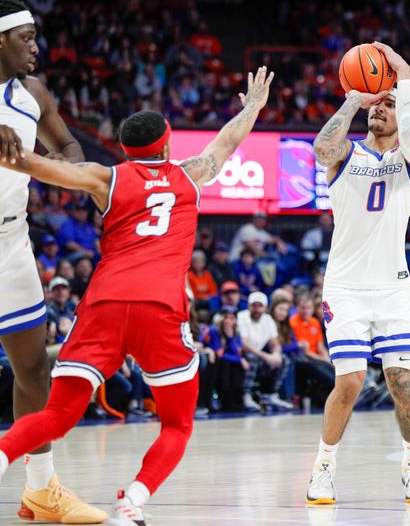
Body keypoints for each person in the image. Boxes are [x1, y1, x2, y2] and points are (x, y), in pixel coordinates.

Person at [0, 66, 275, 524]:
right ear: (167, 145)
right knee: (177, 424)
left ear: (126, 150)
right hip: (160, 309)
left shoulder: (104, 179)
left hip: (104, 304)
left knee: (58, 414)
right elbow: (225, 143)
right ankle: (133, 504)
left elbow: (42, 168)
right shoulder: (191, 177)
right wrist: (252, 107)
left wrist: (15, 154)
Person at [305, 42, 410, 505]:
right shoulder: (346, 154)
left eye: (389, 105)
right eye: (376, 104)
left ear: (406, 112)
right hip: (345, 287)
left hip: (394, 288)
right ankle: (324, 467)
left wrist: (403, 75)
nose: (378, 110)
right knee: (351, 381)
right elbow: (322, 149)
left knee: (402, 378)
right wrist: (354, 97)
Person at [0, 0, 104, 520]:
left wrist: (60, 170)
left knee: (35, 368)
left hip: (10, 244)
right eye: (26, 38)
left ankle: (40, 491)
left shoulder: (32, 95)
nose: (36, 47)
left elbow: (68, 148)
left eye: (36, 37)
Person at [236, 291, 291, 411]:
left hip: (259, 357)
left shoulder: (268, 320)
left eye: (260, 306)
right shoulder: (242, 317)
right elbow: (244, 344)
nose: (257, 309)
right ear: (249, 306)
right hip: (242, 357)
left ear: (265, 308)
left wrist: (276, 354)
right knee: (252, 357)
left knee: (283, 360)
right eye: (254, 305)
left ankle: (271, 395)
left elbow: (275, 343)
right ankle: (246, 395)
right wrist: (266, 356)